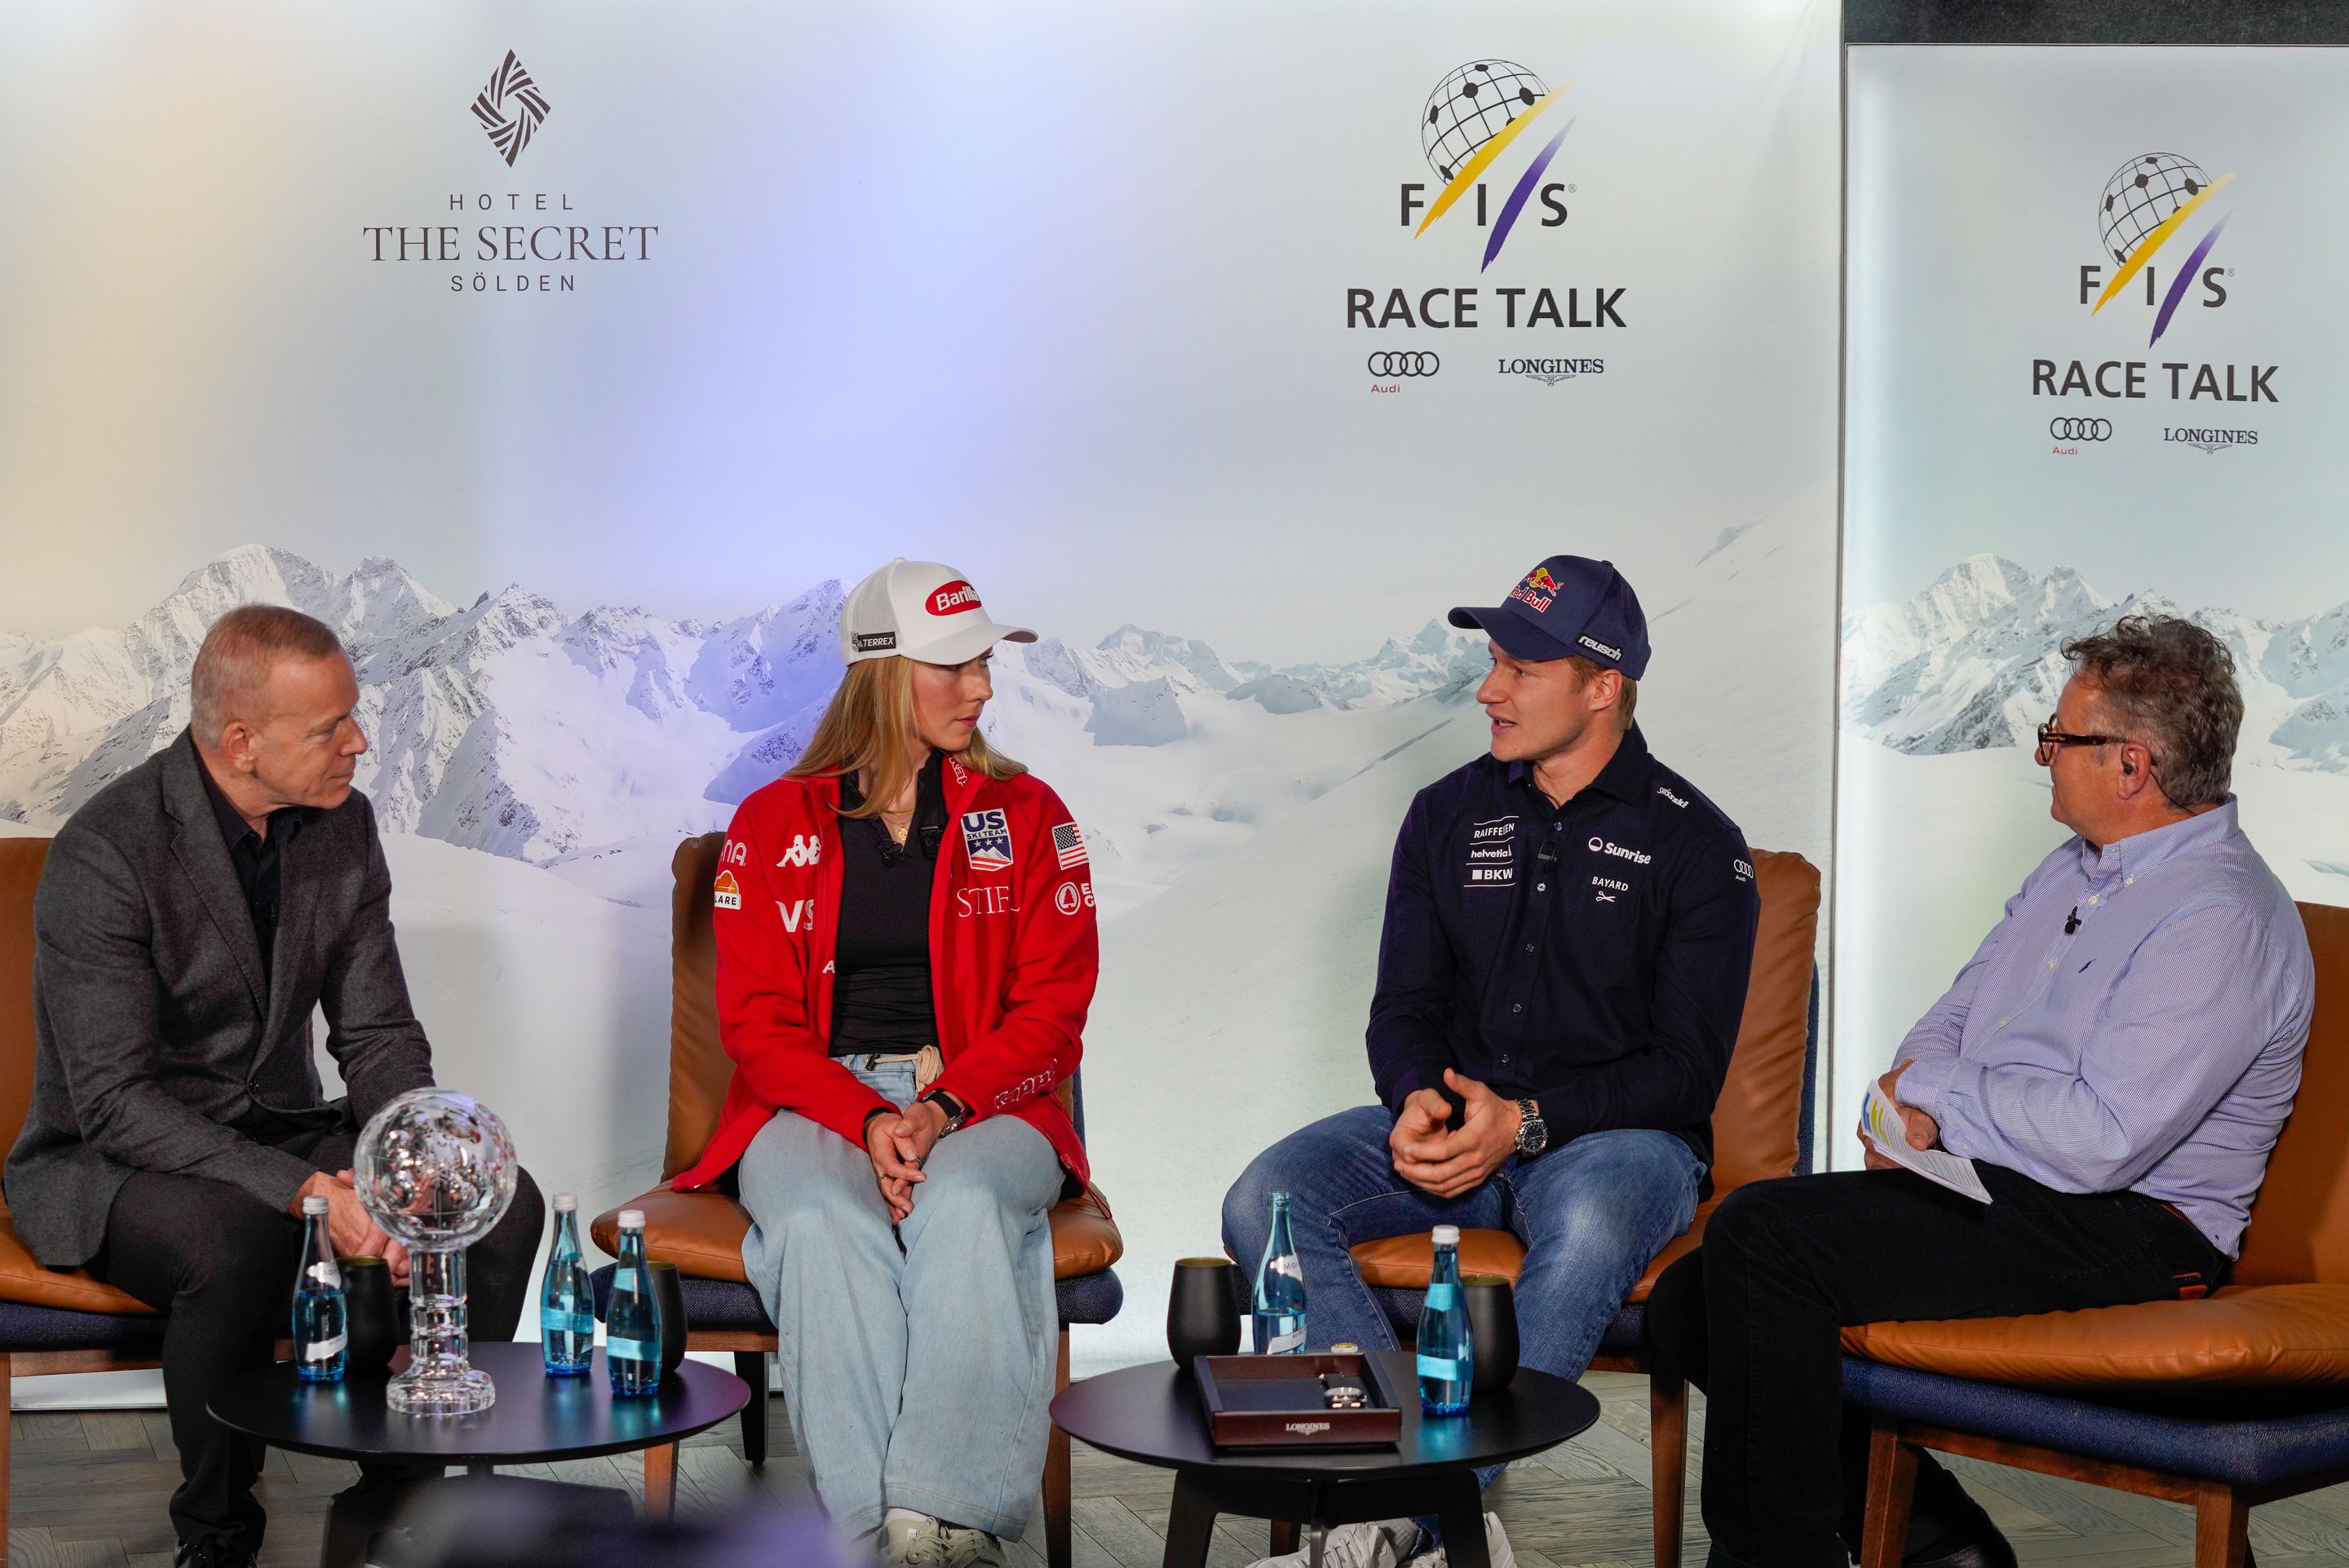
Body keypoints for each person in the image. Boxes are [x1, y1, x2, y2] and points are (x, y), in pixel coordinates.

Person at [1647, 614, 2314, 1568]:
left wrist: (1939, 1097)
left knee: (1758, 1239)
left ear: (2132, 765)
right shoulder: (2070, 871)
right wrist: (1920, 1093)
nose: (2042, 755)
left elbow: (2099, 1139)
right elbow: (1954, 1021)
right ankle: (1942, 1546)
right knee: (1691, 1300)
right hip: (2013, 1185)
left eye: (2059, 737)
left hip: (2138, 1227)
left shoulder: (2221, 918)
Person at [1223, 556, 1763, 1568]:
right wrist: (1418, 1102)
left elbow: (1687, 1073)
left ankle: (1399, 1525)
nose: (1488, 688)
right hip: (1458, 1128)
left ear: (1602, 687)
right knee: (1269, 1198)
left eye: (1521, 667)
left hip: (1615, 1145)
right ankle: (1403, 1512)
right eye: (1492, 661)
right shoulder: (1445, 813)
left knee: (1598, 1217)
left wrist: (1528, 1125)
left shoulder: (1699, 848)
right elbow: (1405, 1008)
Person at [5, 604, 546, 1568]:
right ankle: (215, 1533)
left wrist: (401, 1164)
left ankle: (399, 1504)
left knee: (495, 1209)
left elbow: (377, 1032)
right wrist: (309, 1193)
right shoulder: (107, 850)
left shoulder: (344, 827)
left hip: (276, 1126)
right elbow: (116, 1101)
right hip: (119, 1159)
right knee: (240, 1237)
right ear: (242, 743)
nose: (360, 743)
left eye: (355, 714)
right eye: (328, 727)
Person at [669, 558, 1099, 1568]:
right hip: (812, 1107)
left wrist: (943, 1105)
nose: (981, 687)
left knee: (962, 1205)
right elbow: (759, 1027)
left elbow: (1054, 1009)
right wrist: (867, 1116)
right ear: (880, 671)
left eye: (984, 663)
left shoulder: (1032, 815)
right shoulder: (774, 824)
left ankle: (951, 1522)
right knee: (819, 1221)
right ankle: (876, 1540)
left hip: (996, 1101)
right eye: (951, 666)